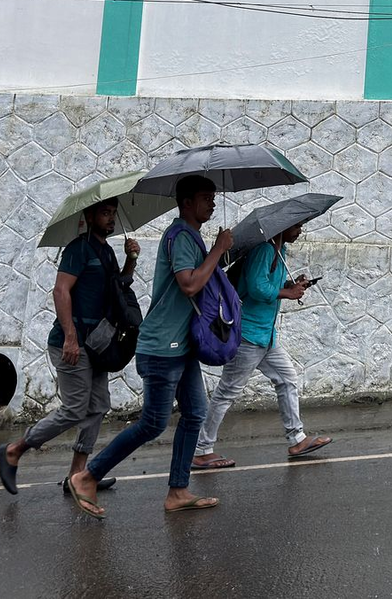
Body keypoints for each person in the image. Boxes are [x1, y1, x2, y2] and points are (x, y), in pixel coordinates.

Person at [66, 174, 233, 519]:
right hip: (162, 347)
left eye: (213, 197)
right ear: (186, 202)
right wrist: (217, 250)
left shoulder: (192, 237)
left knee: (195, 413)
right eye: (205, 197)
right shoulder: (181, 236)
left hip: (180, 344)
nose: (212, 203)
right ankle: (87, 476)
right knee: (153, 423)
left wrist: (220, 254)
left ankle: (178, 490)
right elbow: (189, 285)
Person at [0, 198, 139, 496]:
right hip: (71, 343)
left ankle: (77, 475)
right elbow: (61, 290)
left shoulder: (107, 251)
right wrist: (71, 337)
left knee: (98, 406)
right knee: (75, 409)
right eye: (105, 213)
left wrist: (131, 259)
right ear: (90, 215)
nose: (111, 219)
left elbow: (117, 286)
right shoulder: (78, 249)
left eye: (113, 214)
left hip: (96, 344)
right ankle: (13, 450)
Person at [192, 220, 331, 471]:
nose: (300, 231)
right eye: (297, 226)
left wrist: (290, 285)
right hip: (249, 334)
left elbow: (266, 285)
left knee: (287, 379)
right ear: (283, 226)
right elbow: (256, 288)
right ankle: (202, 449)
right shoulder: (265, 249)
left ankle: (297, 439)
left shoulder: (280, 250)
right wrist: (287, 294)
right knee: (227, 392)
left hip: (266, 337)